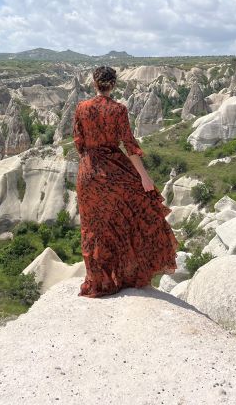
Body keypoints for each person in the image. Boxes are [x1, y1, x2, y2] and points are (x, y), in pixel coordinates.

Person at [72, 65, 178, 298]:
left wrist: (91, 159)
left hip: (88, 173)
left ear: (94, 83)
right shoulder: (118, 110)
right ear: (114, 85)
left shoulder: (82, 107)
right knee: (124, 220)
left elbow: (78, 142)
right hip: (114, 172)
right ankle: (123, 277)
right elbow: (130, 146)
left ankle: (98, 282)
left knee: (93, 228)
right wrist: (144, 177)